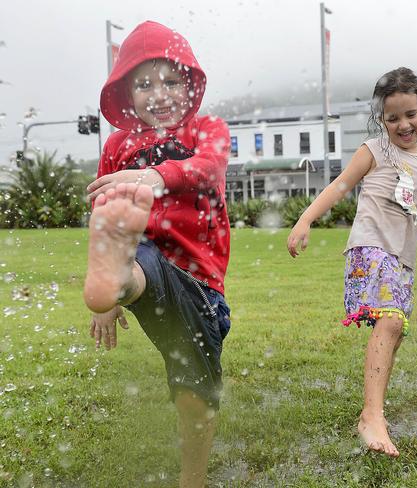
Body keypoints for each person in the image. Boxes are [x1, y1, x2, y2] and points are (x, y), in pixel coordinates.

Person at [287, 67, 417, 457]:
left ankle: (373, 413)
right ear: (381, 119)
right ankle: (371, 416)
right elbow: (340, 186)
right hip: (370, 249)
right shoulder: (375, 151)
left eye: (411, 114)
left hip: (402, 260)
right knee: (390, 320)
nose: (403, 124)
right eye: (393, 118)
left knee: (396, 330)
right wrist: (306, 219)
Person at [83, 21, 231, 488]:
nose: (158, 93)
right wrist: (106, 300)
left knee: (194, 391)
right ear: (126, 91)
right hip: (145, 257)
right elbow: (104, 210)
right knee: (136, 256)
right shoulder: (117, 146)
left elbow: (208, 168)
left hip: (199, 279)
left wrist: (155, 177)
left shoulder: (208, 130)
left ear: (190, 84)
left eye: (170, 81)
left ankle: (123, 281)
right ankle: (120, 282)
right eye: (144, 83)